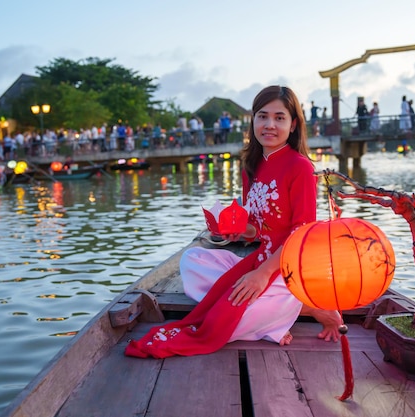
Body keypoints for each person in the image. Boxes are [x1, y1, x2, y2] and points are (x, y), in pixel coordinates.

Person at [125, 85, 341, 359]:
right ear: (253, 120)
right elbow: (257, 229)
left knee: (222, 319)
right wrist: (236, 229)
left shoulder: (300, 167)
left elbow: (302, 233)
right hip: (260, 258)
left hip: (290, 267)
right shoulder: (251, 166)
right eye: (262, 116)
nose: (269, 125)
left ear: (293, 124)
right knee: (192, 261)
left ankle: (304, 307)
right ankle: (275, 314)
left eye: (279, 117)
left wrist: (262, 275)